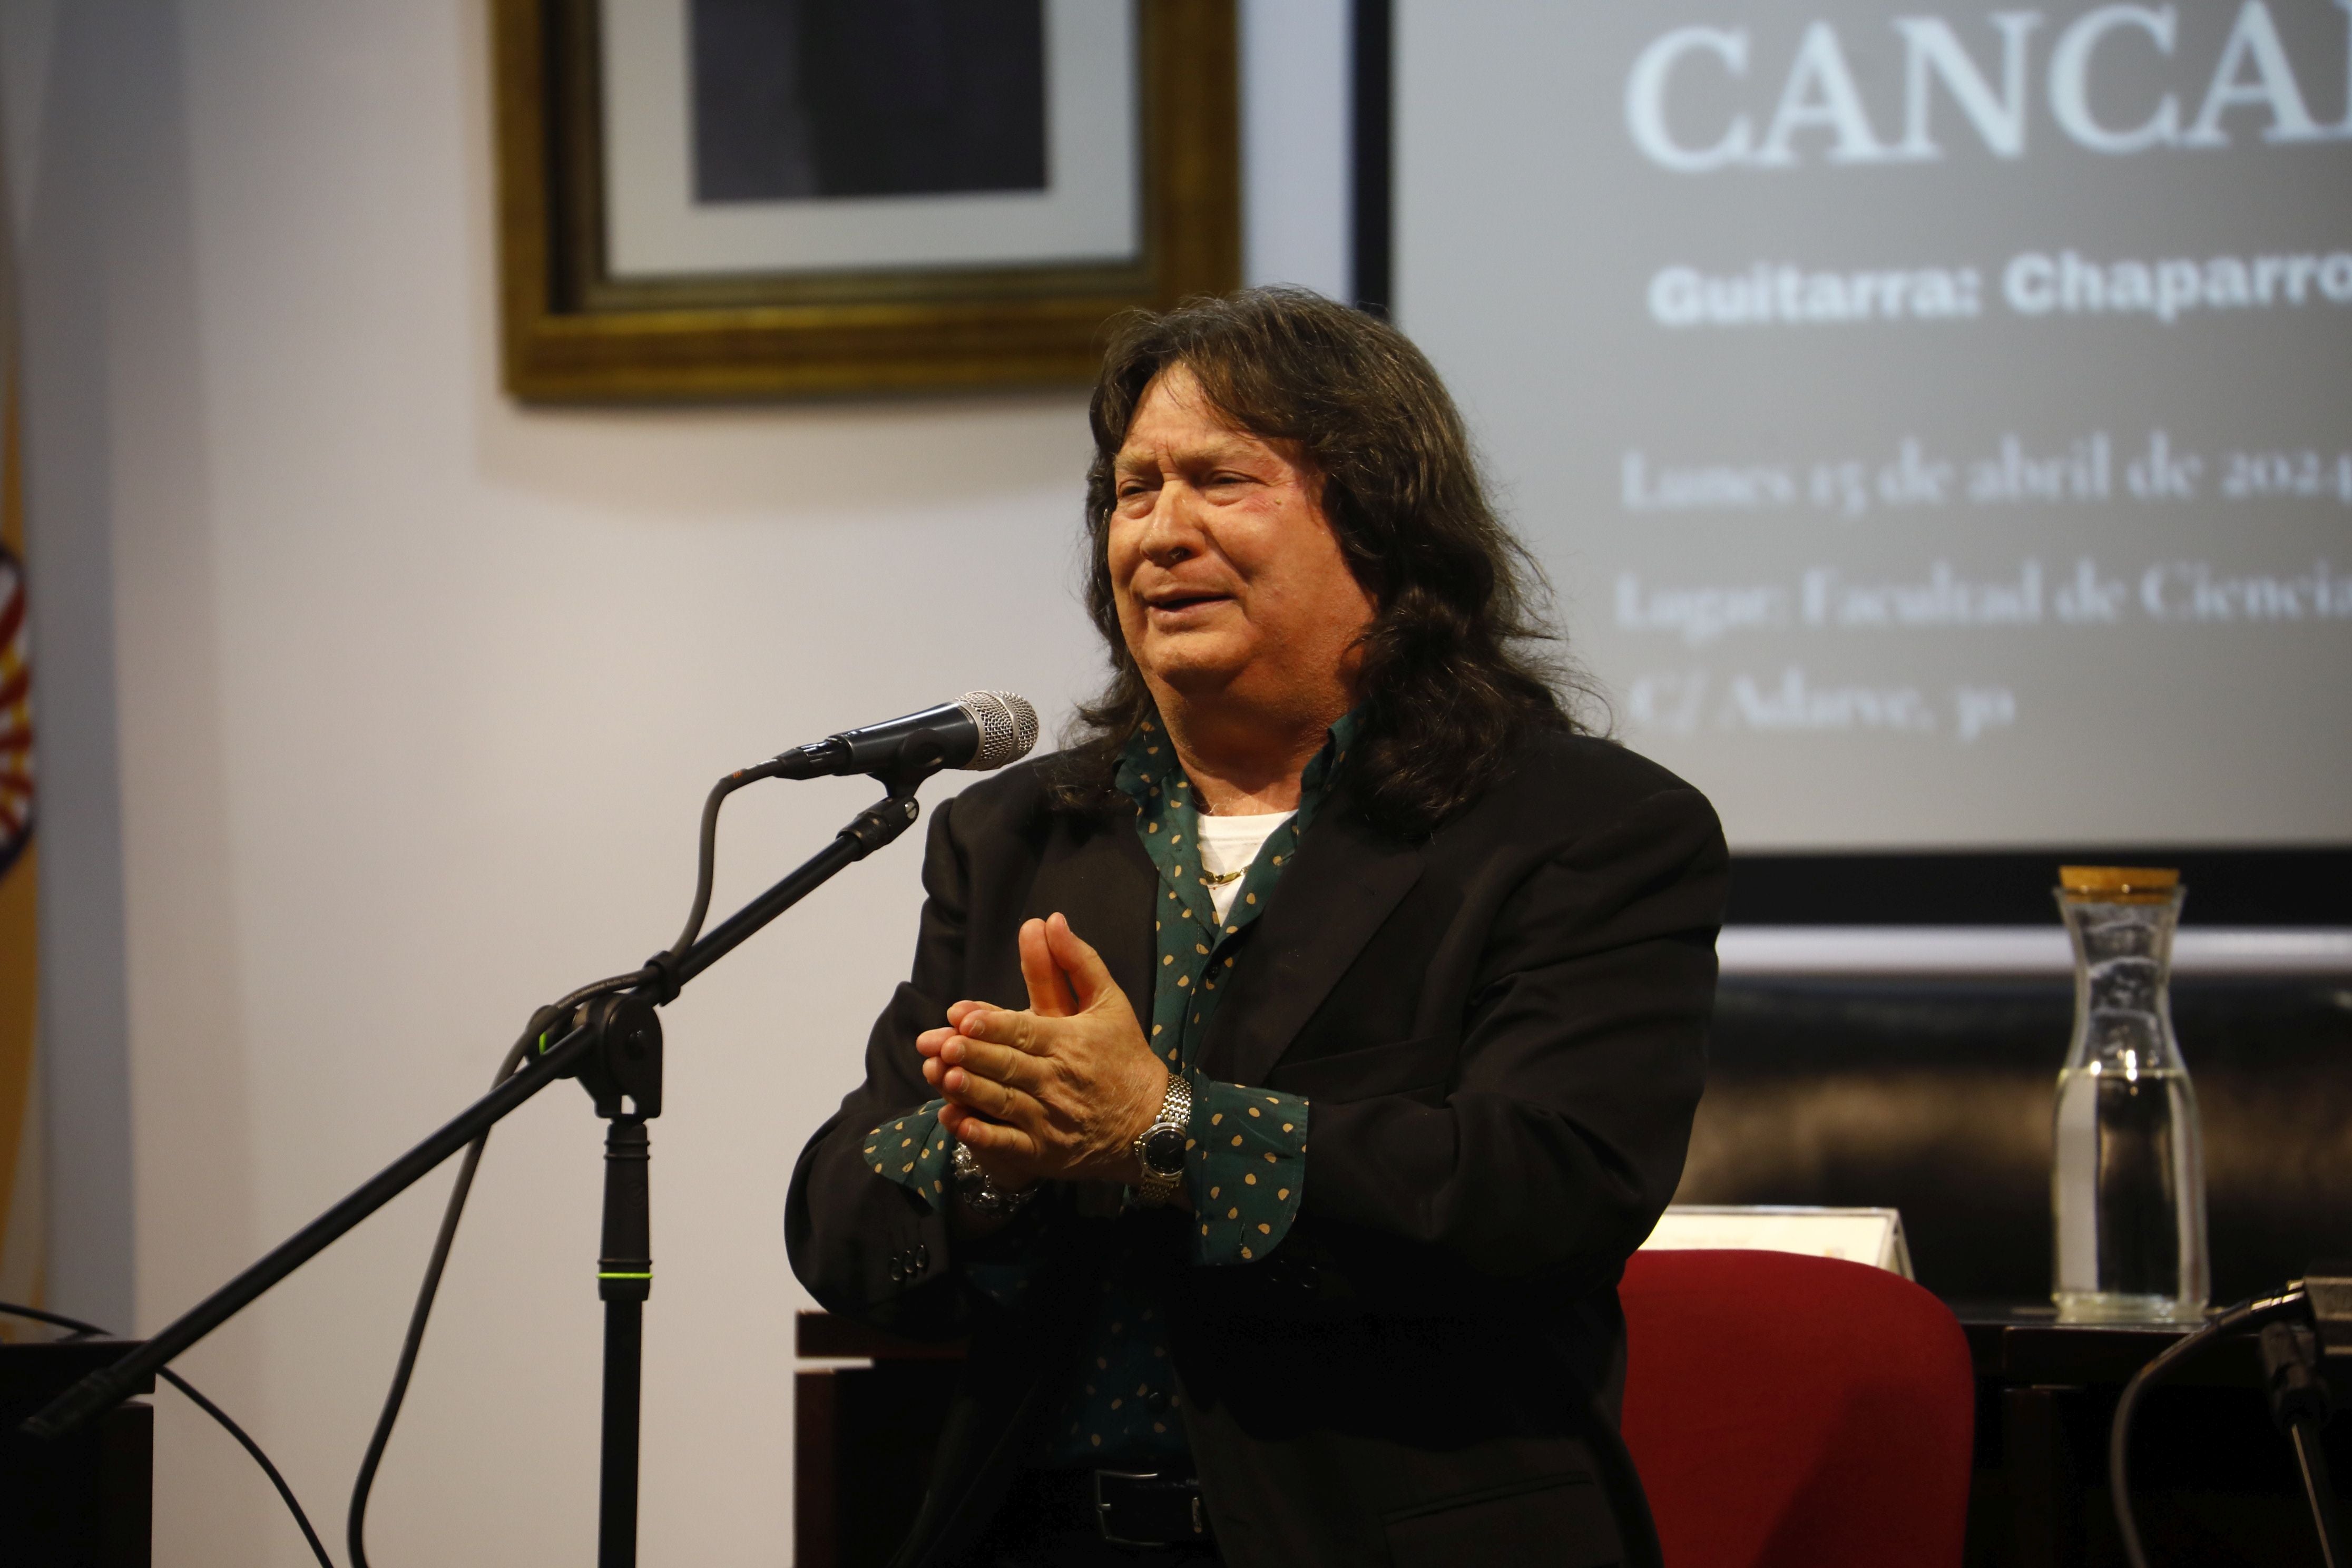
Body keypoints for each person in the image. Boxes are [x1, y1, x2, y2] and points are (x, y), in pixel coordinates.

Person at [787, 288, 1726, 1568]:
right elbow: (842, 1224)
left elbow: (1544, 1188)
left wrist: (1167, 1133)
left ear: (1383, 527)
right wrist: (997, 1156)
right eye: (1132, 492)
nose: (1160, 534)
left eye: (1222, 481)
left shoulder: (1581, 829)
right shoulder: (1015, 837)